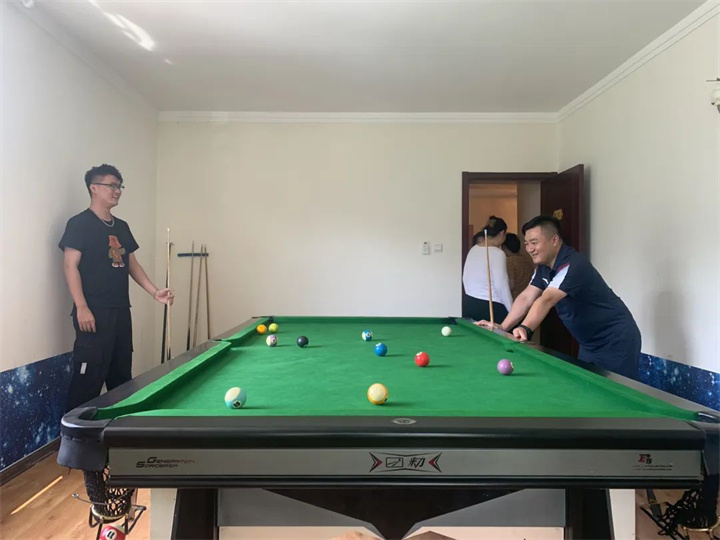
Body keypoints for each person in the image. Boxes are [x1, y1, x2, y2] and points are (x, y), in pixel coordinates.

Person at [59, 164, 174, 412]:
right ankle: (74, 433)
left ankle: (119, 430)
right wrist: (81, 307)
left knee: (121, 378)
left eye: (119, 186)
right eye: (112, 185)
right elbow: (70, 266)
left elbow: (132, 264)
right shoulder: (79, 223)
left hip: (121, 311)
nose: (117, 191)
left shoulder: (121, 227)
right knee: (88, 381)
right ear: (94, 187)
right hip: (93, 313)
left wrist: (155, 292)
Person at [478, 215, 641, 379]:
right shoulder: (543, 267)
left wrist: (525, 328)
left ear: (554, 240)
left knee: (616, 391)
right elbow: (527, 296)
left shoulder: (573, 264)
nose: (529, 249)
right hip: (589, 343)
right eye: (527, 243)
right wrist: (502, 327)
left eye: (534, 242)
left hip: (615, 339)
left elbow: (546, 300)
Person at [462, 216, 513, 323]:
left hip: (469, 304)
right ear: (502, 233)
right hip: (491, 307)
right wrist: (512, 311)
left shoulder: (473, 249)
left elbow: (465, 278)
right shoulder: (498, 253)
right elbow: (501, 285)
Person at [502, 233, 536, 300]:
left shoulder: (510, 262)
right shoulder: (526, 259)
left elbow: (511, 285)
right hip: (528, 295)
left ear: (504, 247)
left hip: (516, 297)